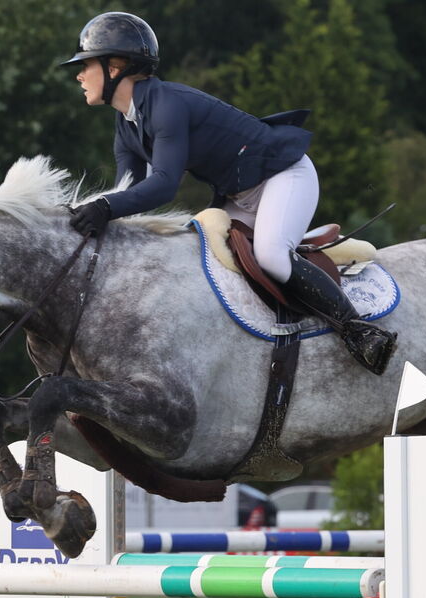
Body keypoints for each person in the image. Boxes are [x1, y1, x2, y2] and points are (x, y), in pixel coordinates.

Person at [61, 11, 396, 375]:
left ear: (115, 67)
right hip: (238, 197)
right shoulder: (126, 124)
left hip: (283, 175)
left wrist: (104, 207)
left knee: (270, 255)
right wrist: (84, 215)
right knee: (199, 259)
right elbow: (128, 191)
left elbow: (162, 184)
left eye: (86, 65)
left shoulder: (166, 104)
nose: (79, 75)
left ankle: (359, 331)